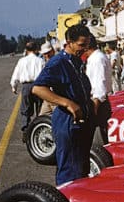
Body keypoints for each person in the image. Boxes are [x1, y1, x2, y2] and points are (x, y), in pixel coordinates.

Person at [32, 24, 94, 185]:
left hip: (82, 122)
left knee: (81, 168)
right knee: (69, 170)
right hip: (68, 122)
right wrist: (67, 103)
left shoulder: (76, 61)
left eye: (87, 45)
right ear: (69, 42)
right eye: (81, 45)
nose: (85, 49)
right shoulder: (58, 62)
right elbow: (38, 89)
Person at [9, 41, 45, 132]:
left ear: (26, 50)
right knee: (40, 109)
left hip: (26, 86)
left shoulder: (22, 61)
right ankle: (39, 128)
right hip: (38, 86)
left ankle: (26, 129)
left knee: (25, 110)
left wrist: (14, 86)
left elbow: (16, 74)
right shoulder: (40, 61)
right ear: (36, 49)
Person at [85, 39, 113, 146]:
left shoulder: (97, 59)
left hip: (98, 101)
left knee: (98, 139)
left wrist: (95, 107)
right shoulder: (99, 57)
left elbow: (99, 84)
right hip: (99, 100)